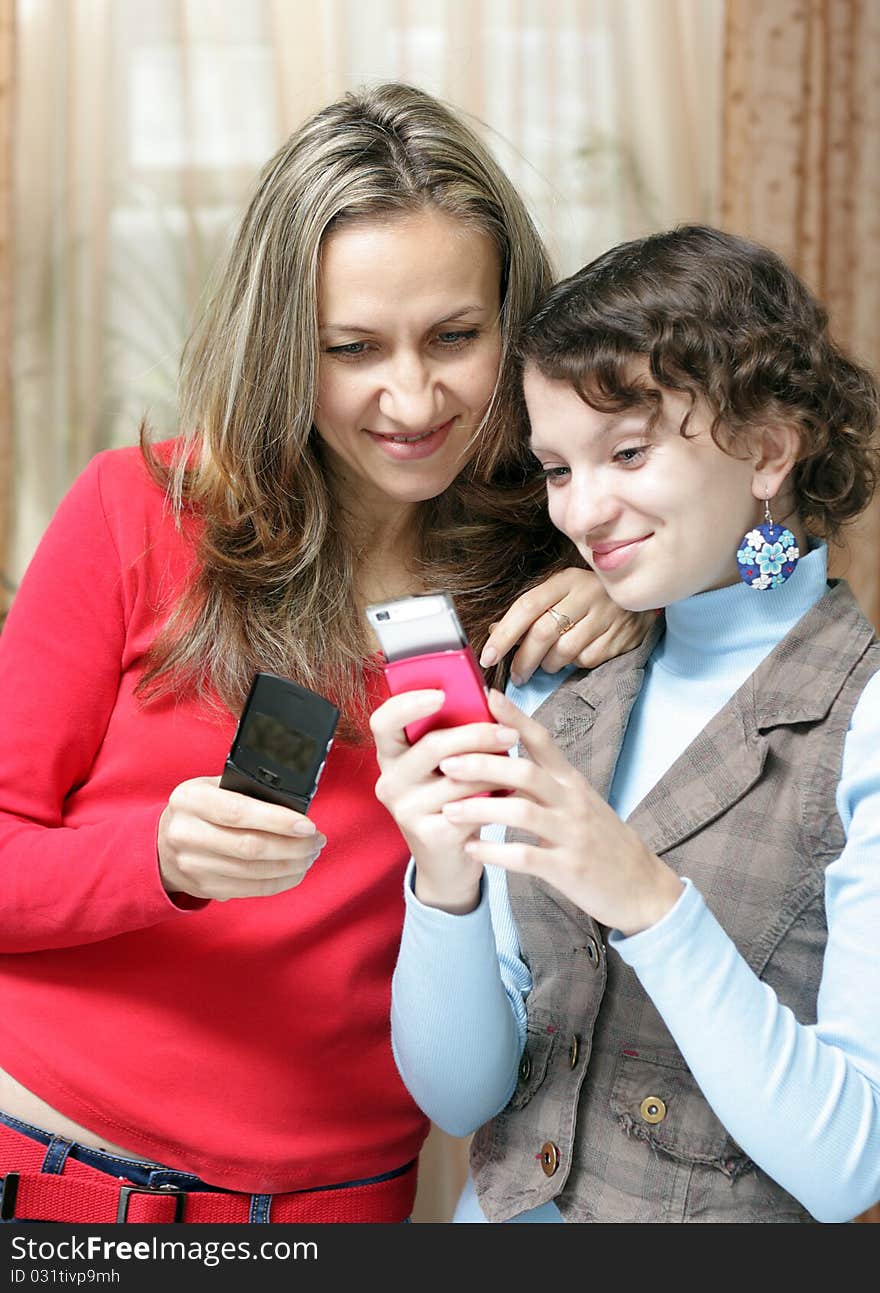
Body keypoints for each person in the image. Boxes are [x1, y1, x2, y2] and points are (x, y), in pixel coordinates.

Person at [0, 82, 648, 1225]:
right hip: (55, 1177)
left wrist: (638, 592)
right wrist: (152, 859)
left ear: (518, 323)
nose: (411, 398)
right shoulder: (135, 512)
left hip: (336, 1208)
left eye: (456, 337)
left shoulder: (555, 561)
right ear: (279, 343)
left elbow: (786, 551)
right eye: (352, 348)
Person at [373, 224, 880, 1223]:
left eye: (629, 452)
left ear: (769, 448)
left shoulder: (861, 722)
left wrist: (647, 899)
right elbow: (461, 1098)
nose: (582, 510)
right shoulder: (560, 695)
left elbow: (849, 1167)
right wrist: (443, 883)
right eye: (558, 468)